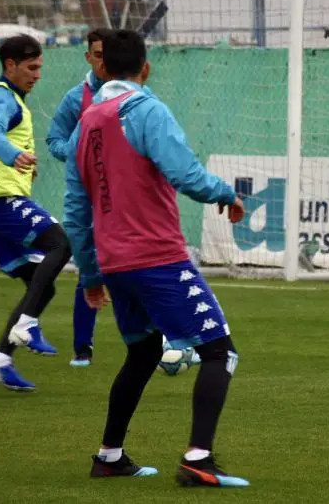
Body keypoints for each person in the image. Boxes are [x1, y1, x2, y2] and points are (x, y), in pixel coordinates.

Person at [63, 30, 248, 487]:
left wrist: (90, 273)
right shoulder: (146, 110)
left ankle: (109, 456)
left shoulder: (85, 124)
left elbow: (75, 207)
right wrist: (226, 193)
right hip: (157, 259)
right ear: (146, 69)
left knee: (143, 354)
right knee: (220, 352)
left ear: (101, 69)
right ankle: (198, 459)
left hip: (115, 263)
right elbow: (185, 173)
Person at [0, 34, 72, 392]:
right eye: (31, 67)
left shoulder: (10, 99)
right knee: (61, 244)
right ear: (10, 65)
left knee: (42, 287)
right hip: (0, 202)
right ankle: (26, 324)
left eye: (40, 67)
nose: (37, 74)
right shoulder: (1, 97)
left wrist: (21, 161)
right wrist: (13, 156)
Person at [47, 28, 111, 368]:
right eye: (97, 54)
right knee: (89, 263)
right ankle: (82, 348)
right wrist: (76, 152)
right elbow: (54, 139)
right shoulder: (77, 98)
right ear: (88, 57)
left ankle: (161, 336)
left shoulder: (132, 95)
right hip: (87, 198)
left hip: (125, 200)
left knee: (137, 264)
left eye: (108, 54)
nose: (103, 61)